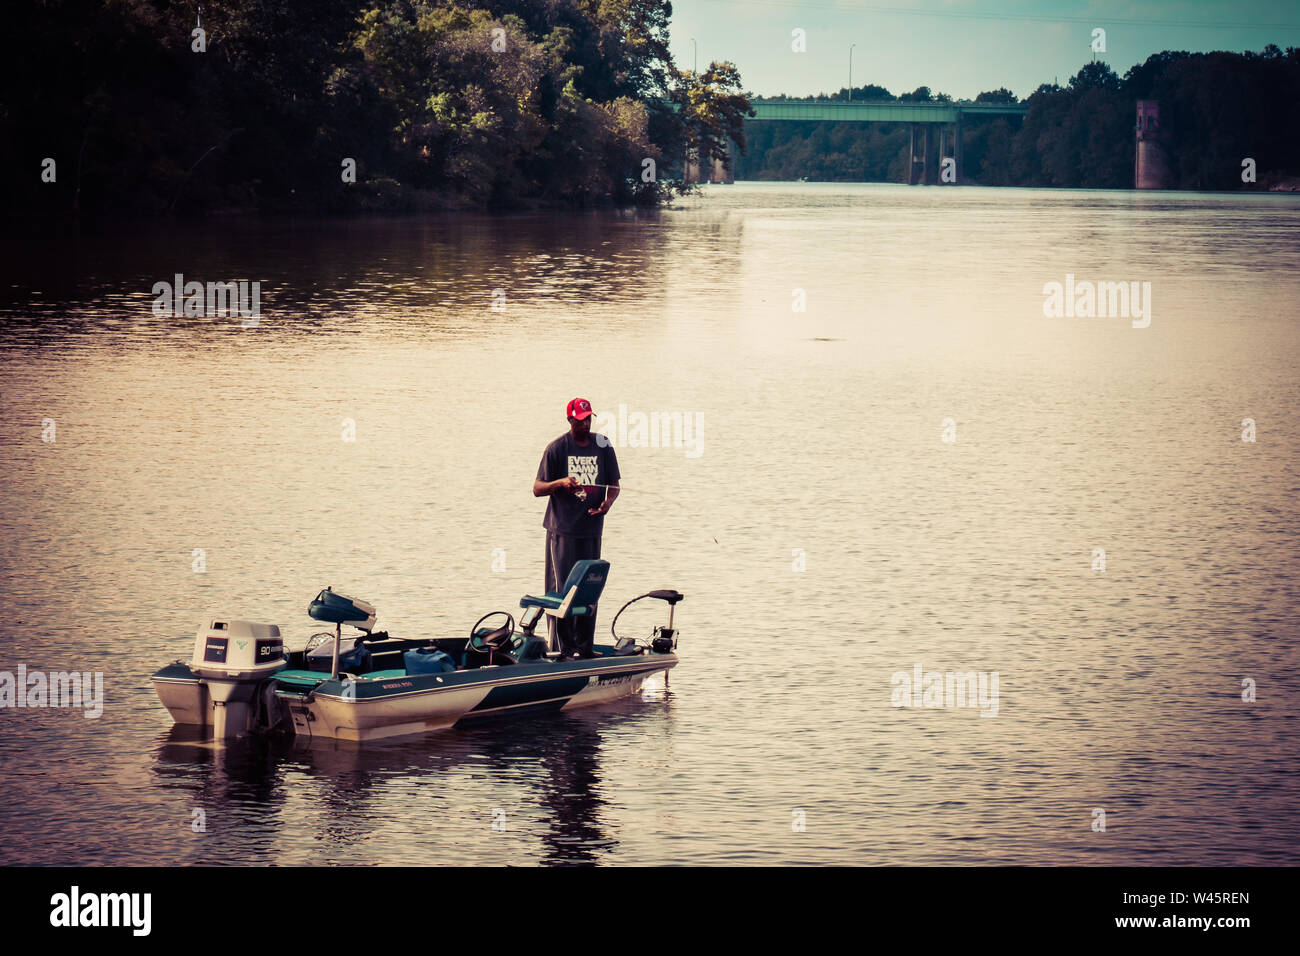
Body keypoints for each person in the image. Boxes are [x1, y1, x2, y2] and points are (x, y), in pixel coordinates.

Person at [532, 398, 620, 658]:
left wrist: (608, 504)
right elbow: (537, 488)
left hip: (592, 530)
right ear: (570, 420)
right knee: (563, 591)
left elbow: (614, 484)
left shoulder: (602, 445)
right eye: (579, 420)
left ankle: (584, 647)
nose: (585, 424)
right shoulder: (557, 448)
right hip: (563, 531)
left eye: (588, 419)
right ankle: (561, 649)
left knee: (589, 588)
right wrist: (559, 483)